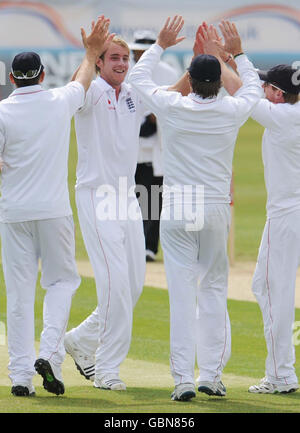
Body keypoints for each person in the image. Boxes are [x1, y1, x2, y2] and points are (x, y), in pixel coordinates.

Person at [128, 17, 262, 401]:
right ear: (219, 82)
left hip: (176, 210)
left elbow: (139, 81)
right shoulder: (233, 110)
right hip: (215, 210)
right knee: (214, 290)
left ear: (188, 79)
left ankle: (183, 379)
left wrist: (160, 45)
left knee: (181, 296)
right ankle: (211, 376)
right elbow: (251, 86)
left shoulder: (172, 106)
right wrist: (234, 53)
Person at [0, 16, 113, 397]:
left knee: (18, 295)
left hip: (13, 213)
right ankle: (50, 352)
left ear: (13, 78)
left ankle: (19, 377)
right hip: (53, 211)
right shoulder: (57, 101)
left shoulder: (2, 112)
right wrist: (91, 51)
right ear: (42, 74)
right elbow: (82, 79)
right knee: (61, 282)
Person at [64, 34, 147, 391]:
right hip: (96, 194)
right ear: (99, 61)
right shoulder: (92, 89)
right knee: (114, 284)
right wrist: (88, 52)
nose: (122, 64)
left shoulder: (131, 93)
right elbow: (72, 92)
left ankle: (81, 339)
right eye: (114, 57)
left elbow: (171, 96)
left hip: (127, 196)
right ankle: (107, 367)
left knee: (134, 286)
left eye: (126, 58)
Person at [247, 65, 300, 394]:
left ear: (279, 94)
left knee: (271, 291)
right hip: (290, 213)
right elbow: (252, 83)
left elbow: (247, 95)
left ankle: (281, 374)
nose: (264, 88)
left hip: (287, 217)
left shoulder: (283, 118)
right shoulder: (291, 111)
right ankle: (281, 371)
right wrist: (234, 58)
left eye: (269, 86)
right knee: (267, 288)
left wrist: (234, 57)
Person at [130, 30, 179, 262]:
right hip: (129, 144)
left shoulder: (168, 72)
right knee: (129, 196)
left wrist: (156, 117)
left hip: (157, 144)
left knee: (152, 196)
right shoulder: (125, 69)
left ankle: (149, 246)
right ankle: (132, 244)